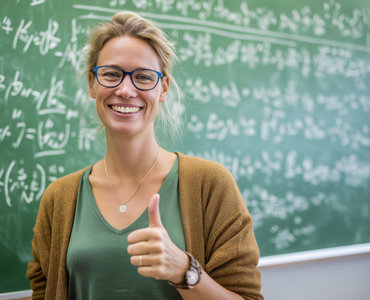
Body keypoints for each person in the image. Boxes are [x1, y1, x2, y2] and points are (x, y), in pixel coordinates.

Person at [26, 11, 263, 300]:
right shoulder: (59, 198)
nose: (126, 90)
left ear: (163, 88)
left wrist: (184, 270)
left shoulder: (210, 185)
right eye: (111, 74)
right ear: (92, 83)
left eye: (143, 77)